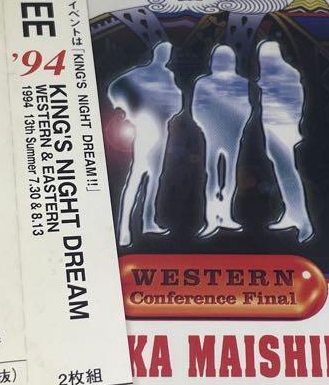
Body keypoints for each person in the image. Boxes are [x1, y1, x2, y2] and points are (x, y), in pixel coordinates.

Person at [107, 41, 184, 247]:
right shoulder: (141, 73)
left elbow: (177, 102)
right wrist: (126, 111)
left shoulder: (168, 76)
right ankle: (124, 228)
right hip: (145, 128)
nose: (166, 56)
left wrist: (169, 108)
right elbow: (116, 87)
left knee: (154, 177)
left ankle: (148, 221)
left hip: (161, 129)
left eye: (168, 53)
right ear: (157, 54)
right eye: (164, 52)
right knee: (137, 175)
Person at [190, 44, 252, 237]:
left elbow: (246, 108)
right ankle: (212, 219)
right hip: (214, 135)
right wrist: (207, 127)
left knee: (228, 176)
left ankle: (225, 215)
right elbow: (196, 109)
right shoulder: (204, 83)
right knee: (213, 176)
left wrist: (237, 127)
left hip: (231, 135)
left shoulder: (241, 82)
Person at [257, 41, 314, 242]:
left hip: (283, 130)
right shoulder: (271, 75)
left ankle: (303, 221)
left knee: (288, 172)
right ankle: (291, 213)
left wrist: (293, 127)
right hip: (273, 129)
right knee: (283, 172)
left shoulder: (286, 75)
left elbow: (296, 102)